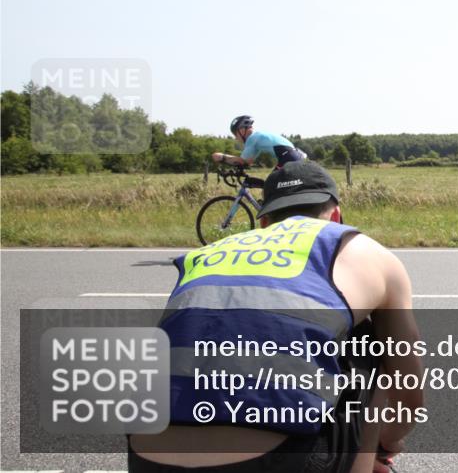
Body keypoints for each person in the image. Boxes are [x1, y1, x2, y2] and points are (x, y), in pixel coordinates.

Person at [129, 161, 423, 472]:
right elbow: (409, 390)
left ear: (264, 222)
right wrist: (389, 441)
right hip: (274, 460)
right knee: (368, 341)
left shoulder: (205, 254)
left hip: (146, 454)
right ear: (335, 214)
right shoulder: (360, 248)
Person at [212, 115, 307, 168]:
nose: (236, 139)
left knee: (270, 188)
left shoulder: (252, 138)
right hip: (293, 155)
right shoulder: (258, 138)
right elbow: (248, 162)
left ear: (241, 130)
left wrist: (222, 157)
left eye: (235, 135)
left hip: (288, 158)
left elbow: (241, 161)